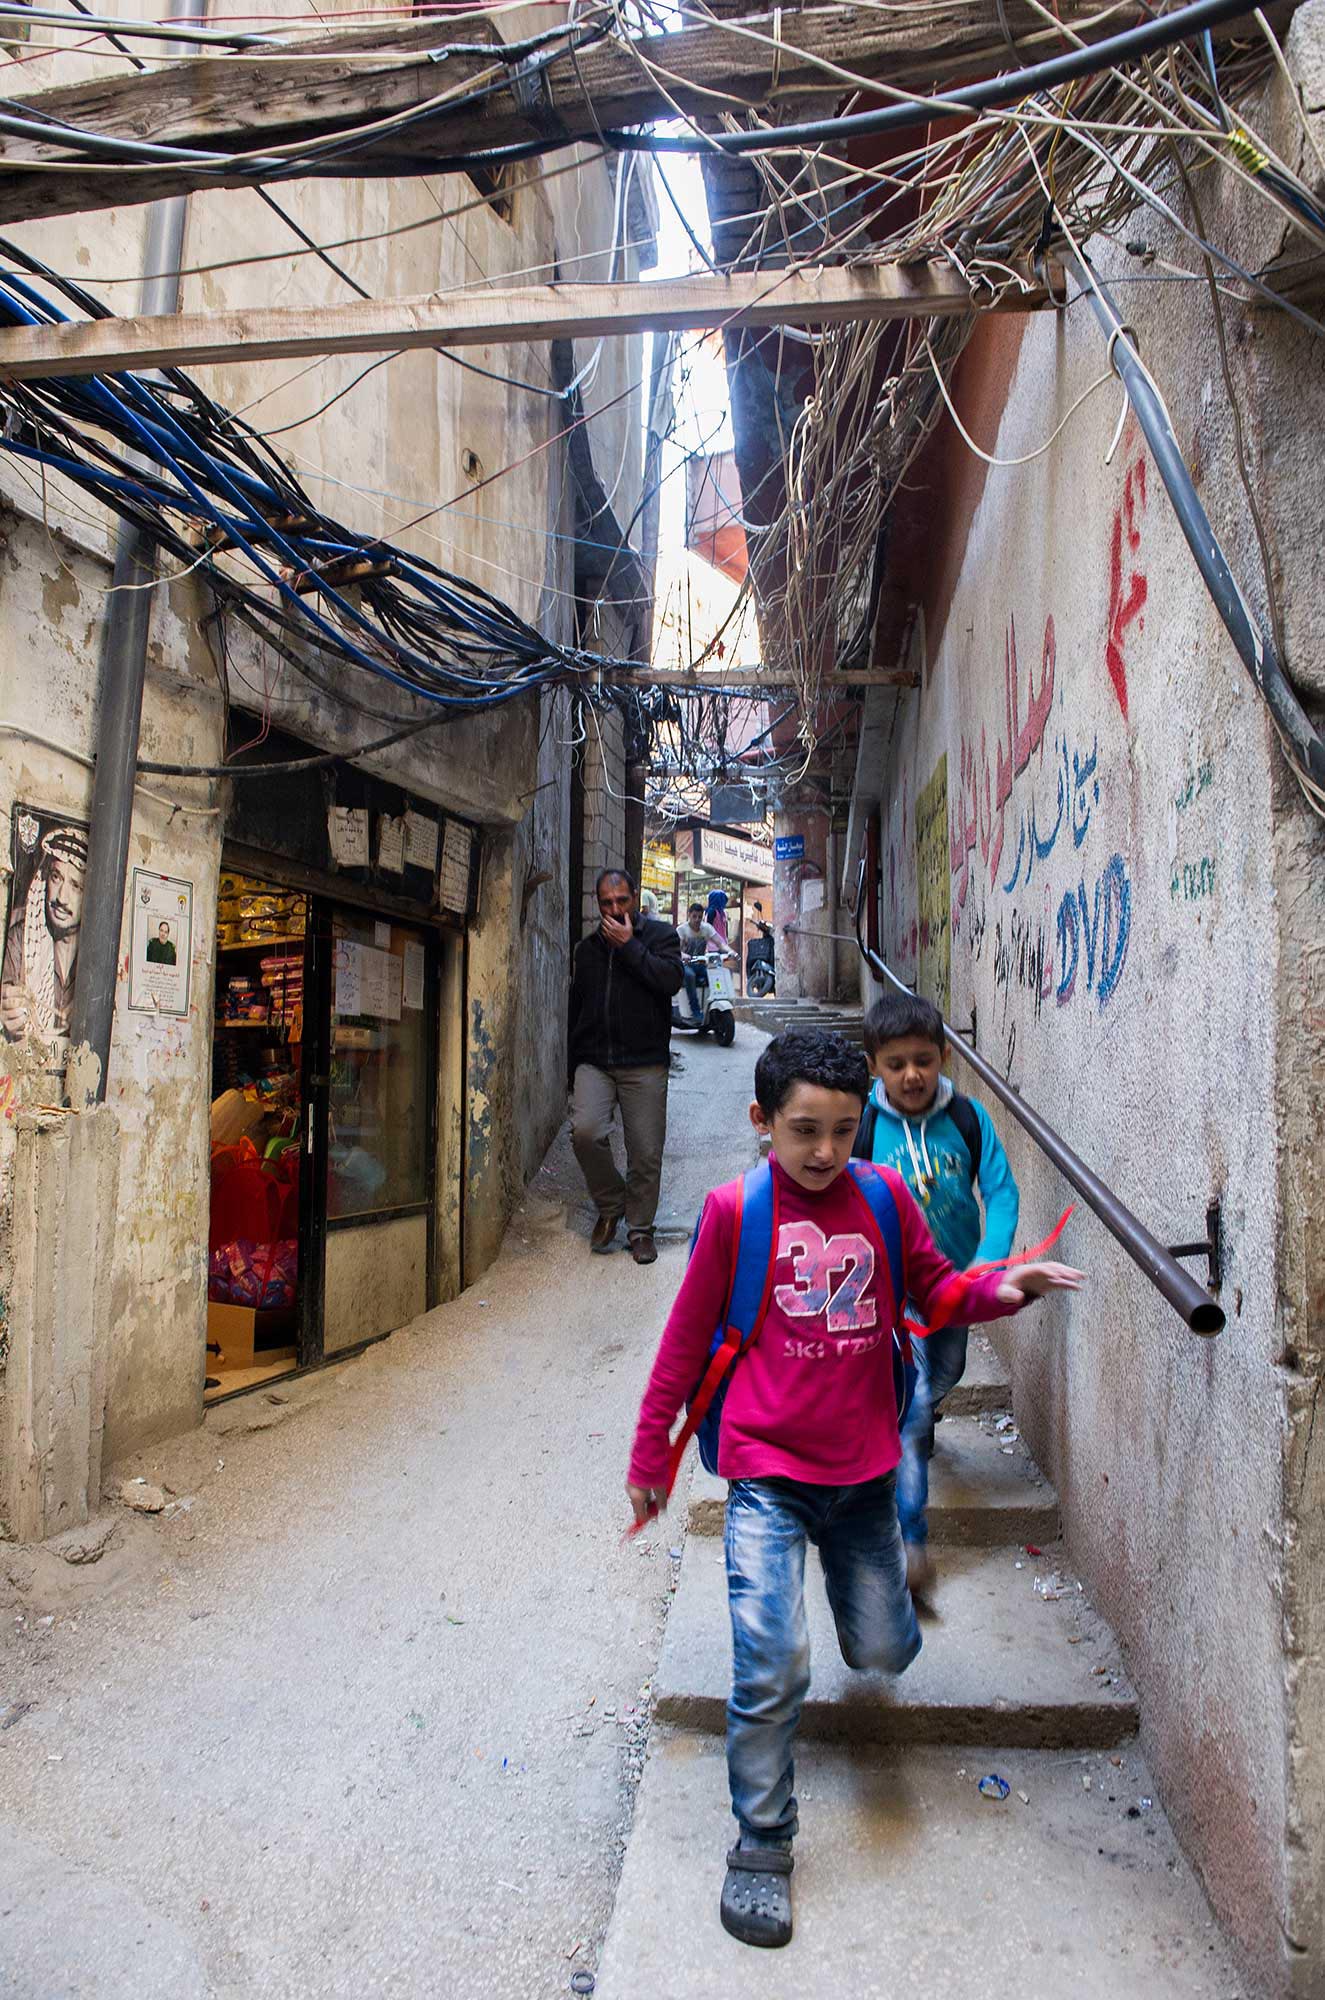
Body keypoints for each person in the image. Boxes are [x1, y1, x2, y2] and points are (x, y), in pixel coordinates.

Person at [625, 1028, 1082, 1948]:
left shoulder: (879, 1198)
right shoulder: (731, 1211)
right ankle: (761, 1841)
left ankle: (877, 1624)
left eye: (842, 1129)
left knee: (878, 1648)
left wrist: (1007, 1288)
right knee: (770, 1660)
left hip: (867, 1476)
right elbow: (680, 1346)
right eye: (804, 1131)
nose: (825, 1151)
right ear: (762, 1123)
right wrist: (648, 1462)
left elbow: (939, 1293)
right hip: (765, 1472)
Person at [854, 992, 1020, 1597]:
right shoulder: (864, 1126)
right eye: (895, 1063)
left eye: (923, 1059)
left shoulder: (970, 1120)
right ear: (874, 1064)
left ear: (944, 1056)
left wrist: (988, 1263)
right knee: (915, 1403)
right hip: (891, 1296)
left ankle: (916, 1415)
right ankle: (910, 1539)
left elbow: (1000, 1194)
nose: (911, 1074)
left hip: (954, 1286)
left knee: (949, 1370)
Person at [568, 868, 684, 1266]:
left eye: (622, 900)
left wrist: (630, 945)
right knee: (585, 1132)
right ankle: (611, 1203)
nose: (615, 909)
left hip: (645, 1062)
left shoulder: (661, 938)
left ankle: (639, 1229)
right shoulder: (587, 951)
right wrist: (573, 1067)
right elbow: (576, 1009)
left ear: (635, 897)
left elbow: (670, 981)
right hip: (595, 1061)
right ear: (597, 904)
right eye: (606, 903)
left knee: (646, 1151)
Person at [1, 823, 87, 1048]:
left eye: (76, 886)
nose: (62, 897)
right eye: (56, 877)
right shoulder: (20, 939)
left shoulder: (98, 959)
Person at [677, 900, 734, 1025]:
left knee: (717, 973)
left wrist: (731, 952)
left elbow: (720, 943)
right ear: (689, 915)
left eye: (699, 917)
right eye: (694, 916)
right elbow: (677, 951)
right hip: (685, 966)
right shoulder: (682, 930)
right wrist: (684, 955)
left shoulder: (706, 928)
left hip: (701, 964)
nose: (697, 920)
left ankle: (712, 1006)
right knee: (690, 976)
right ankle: (695, 1011)